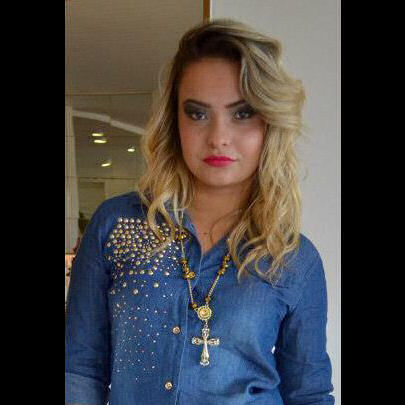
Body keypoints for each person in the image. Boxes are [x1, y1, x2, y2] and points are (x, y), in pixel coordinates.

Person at [65, 18, 335, 405]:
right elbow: (81, 369)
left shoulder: (292, 257)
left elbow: (308, 393)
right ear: (174, 122)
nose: (218, 138)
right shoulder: (116, 225)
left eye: (242, 113)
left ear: (269, 122)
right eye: (198, 113)